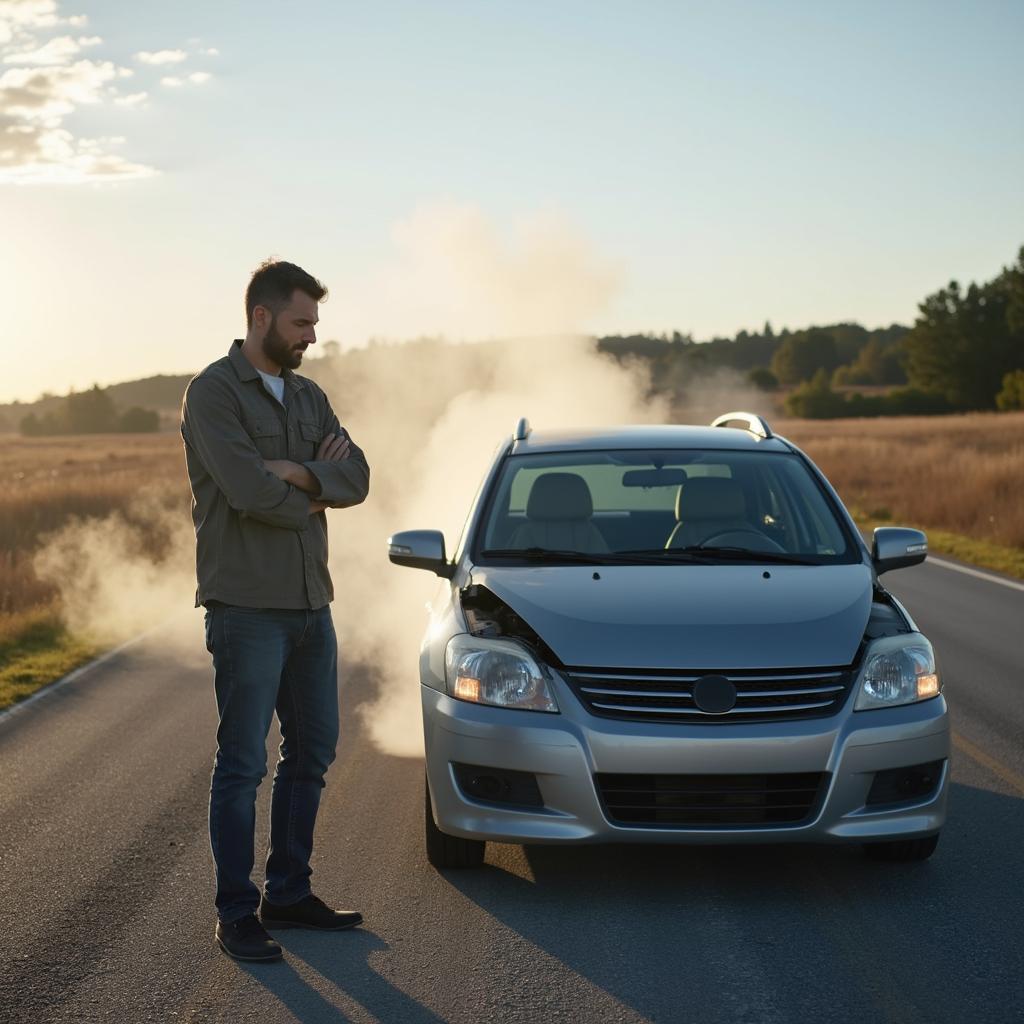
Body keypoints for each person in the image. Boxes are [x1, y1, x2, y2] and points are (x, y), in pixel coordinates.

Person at [181, 259, 370, 963]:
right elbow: (244, 493)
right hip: (247, 608)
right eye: (302, 323)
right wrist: (315, 491)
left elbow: (359, 476)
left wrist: (297, 473)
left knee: (313, 751)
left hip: (310, 605)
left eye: (314, 324)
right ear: (261, 317)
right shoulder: (212, 395)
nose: (312, 336)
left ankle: (288, 892)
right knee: (241, 765)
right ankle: (237, 913)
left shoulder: (309, 396)